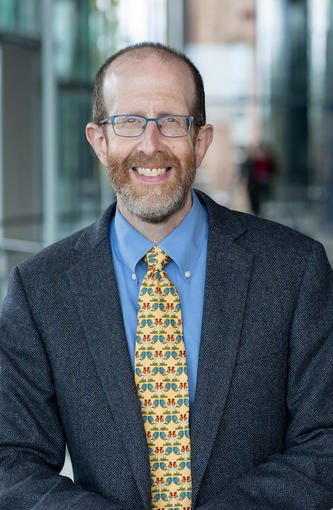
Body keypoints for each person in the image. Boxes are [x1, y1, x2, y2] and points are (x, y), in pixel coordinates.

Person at [0, 42, 333, 510]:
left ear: (200, 140)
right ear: (100, 141)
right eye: (129, 122)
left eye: (171, 122)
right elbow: (11, 460)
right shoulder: (40, 290)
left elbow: (325, 440)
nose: (151, 144)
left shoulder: (295, 270)